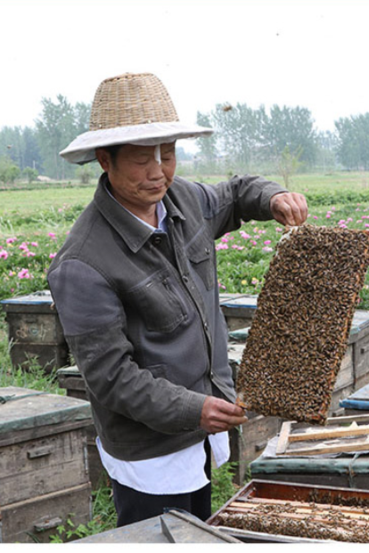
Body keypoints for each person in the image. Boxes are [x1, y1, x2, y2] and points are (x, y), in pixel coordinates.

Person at [47, 72, 308, 526]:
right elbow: (110, 377)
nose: (158, 171)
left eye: (166, 153)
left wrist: (273, 197)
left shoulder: (183, 200)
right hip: (151, 457)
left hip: (203, 435)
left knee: (198, 533)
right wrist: (194, 408)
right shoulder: (82, 264)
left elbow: (233, 193)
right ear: (105, 160)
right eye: (141, 159)